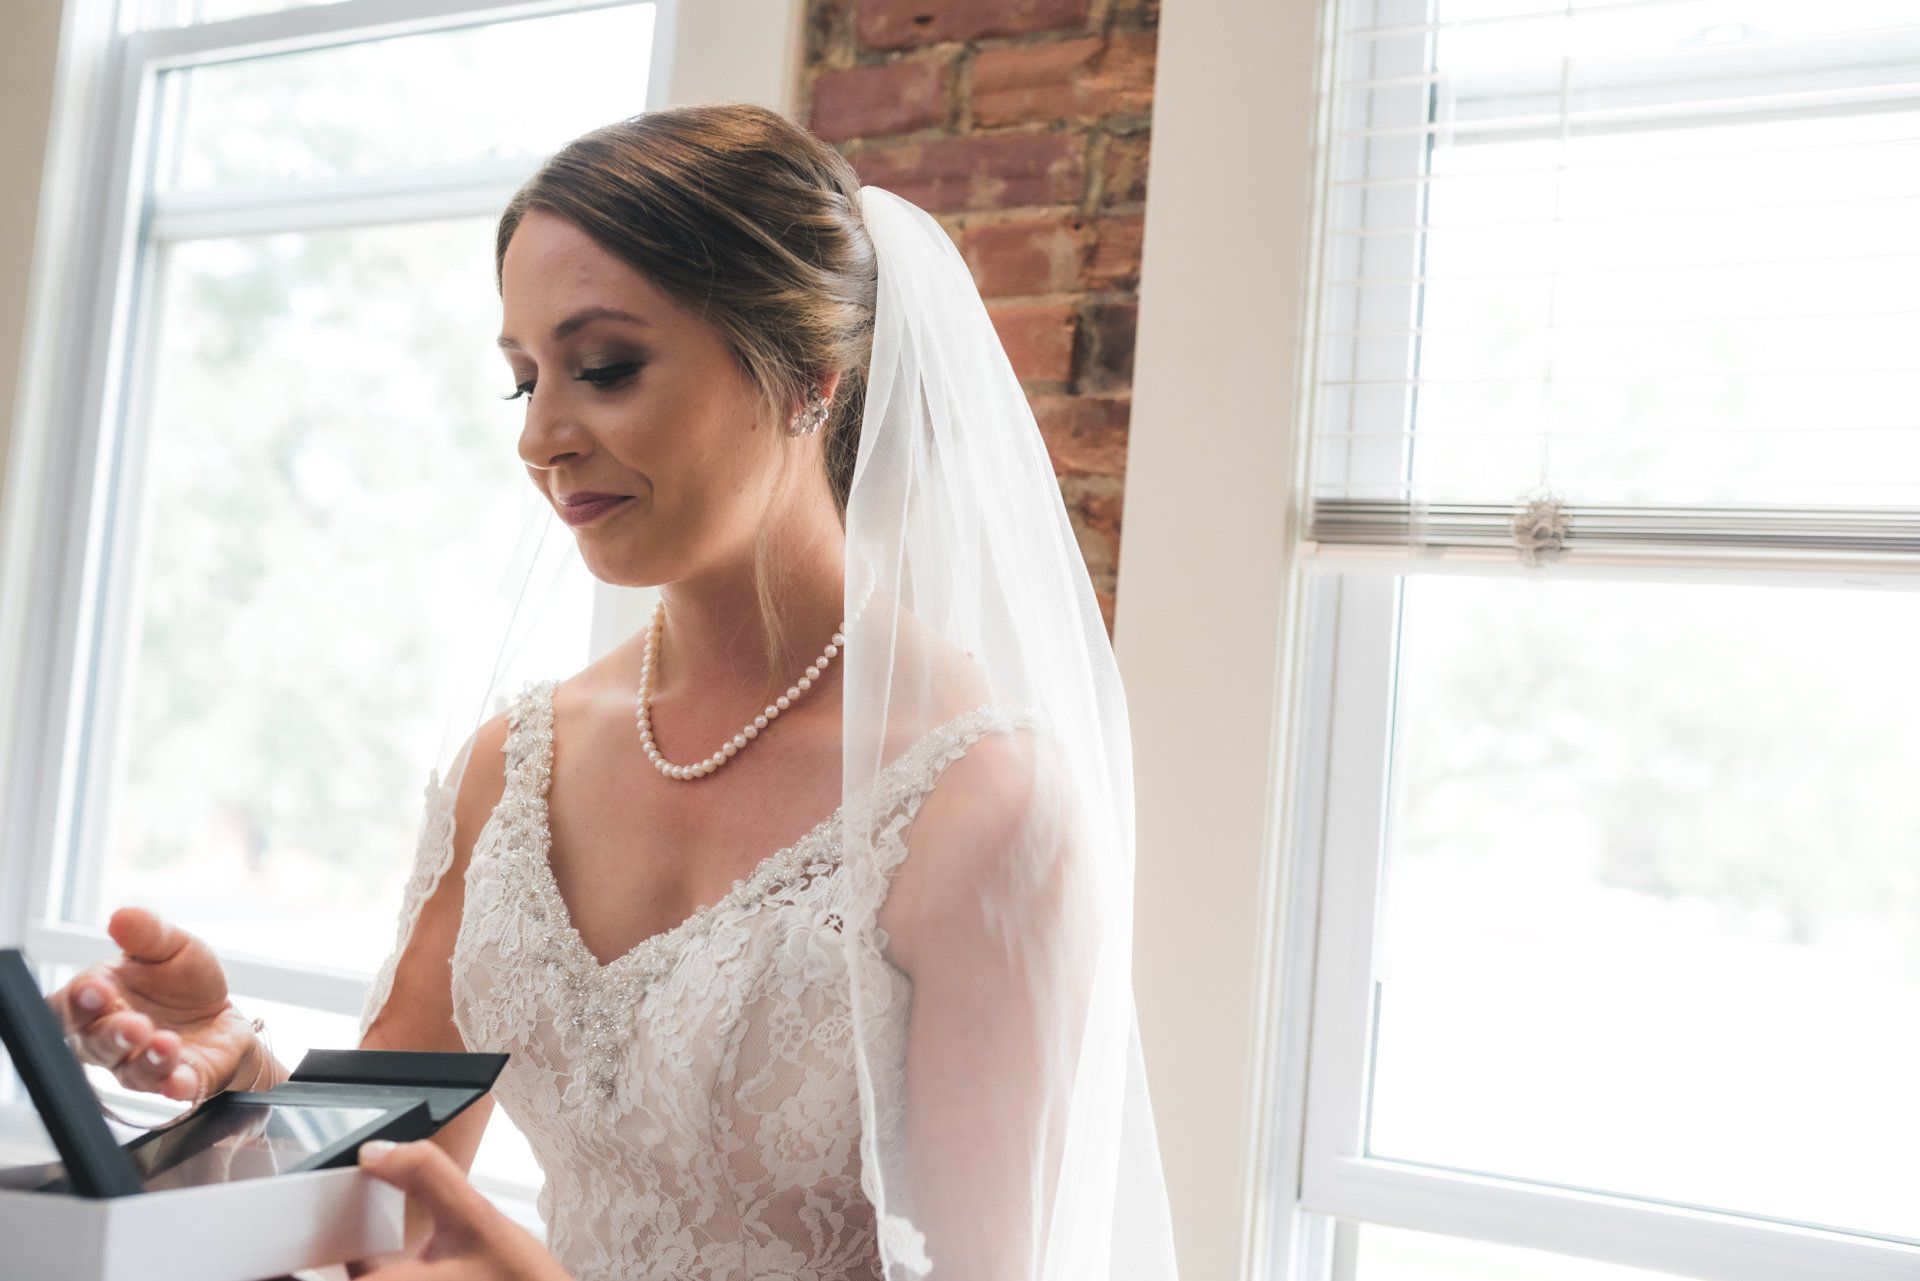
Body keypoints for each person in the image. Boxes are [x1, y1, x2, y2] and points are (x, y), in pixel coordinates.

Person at [47, 103, 1178, 1279]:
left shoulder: (979, 806)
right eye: (522, 380)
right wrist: (236, 1090)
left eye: (604, 368)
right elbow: (373, 1188)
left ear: (807, 381)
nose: (541, 436)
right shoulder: (516, 766)